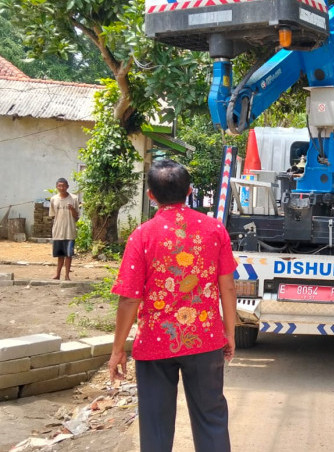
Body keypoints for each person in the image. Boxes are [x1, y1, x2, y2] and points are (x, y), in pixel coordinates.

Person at [108, 159, 237, 452]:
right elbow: (227, 286)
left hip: (154, 343)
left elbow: (129, 298)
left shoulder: (142, 235)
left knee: (154, 424)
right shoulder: (214, 230)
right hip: (205, 340)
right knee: (211, 419)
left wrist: (118, 349)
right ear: (190, 191)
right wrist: (228, 332)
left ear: (151, 196)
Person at [49, 177, 79, 280]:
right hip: (58, 231)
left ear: (67, 187)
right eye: (59, 186)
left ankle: (67, 275)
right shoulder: (53, 199)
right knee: (59, 255)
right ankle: (57, 274)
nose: (62, 188)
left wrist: (72, 209)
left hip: (69, 231)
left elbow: (76, 216)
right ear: (57, 187)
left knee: (68, 254)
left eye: (64, 186)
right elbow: (53, 215)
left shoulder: (74, 198)